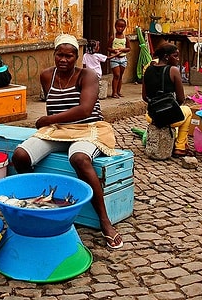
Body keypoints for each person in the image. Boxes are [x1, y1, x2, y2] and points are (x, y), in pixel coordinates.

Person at [11, 34, 123, 250]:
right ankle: (38, 200)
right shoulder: (46, 76)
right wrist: (50, 124)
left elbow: (85, 110)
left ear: (76, 57)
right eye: (59, 55)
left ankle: (104, 221)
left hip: (88, 128)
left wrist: (47, 120)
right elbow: (54, 106)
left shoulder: (88, 76)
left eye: (69, 56)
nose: (63, 60)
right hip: (58, 129)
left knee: (80, 159)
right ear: (54, 55)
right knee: (20, 155)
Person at [142, 43, 192, 157]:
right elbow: (180, 99)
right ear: (166, 56)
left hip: (151, 116)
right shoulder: (173, 70)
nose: (178, 59)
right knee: (188, 111)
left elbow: (144, 97)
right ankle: (180, 147)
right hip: (169, 118)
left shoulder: (148, 69)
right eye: (175, 56)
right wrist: (170, 109)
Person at [107, 18, 131, 98]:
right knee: (116, 75)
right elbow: (108, 48)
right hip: (114, 59)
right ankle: (114, 92)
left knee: (120, 76)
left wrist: (122, 49)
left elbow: (129, 48)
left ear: (124, 27)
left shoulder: (125, 38)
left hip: (123, 59)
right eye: (118, 26)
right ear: (115, 27)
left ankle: (118, 91)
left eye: (122, 27)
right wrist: (114, 50)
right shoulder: (112, 37)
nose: (120, 28)